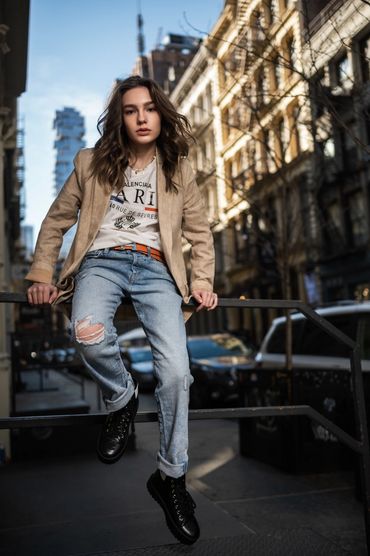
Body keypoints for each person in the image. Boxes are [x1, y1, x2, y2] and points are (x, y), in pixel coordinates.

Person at [26, 75, 217, 545]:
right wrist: (40, 275)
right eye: (131, 110)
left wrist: (202, 280)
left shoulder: (178, 167)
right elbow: (56, 221)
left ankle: (171, 478)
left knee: (175, 375)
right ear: (120, 118)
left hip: (157, 270)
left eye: (149, 108)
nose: (141, 117)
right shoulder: (91, 163)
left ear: (161, 114)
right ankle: (121, 397)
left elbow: (200, 232)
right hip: (101, 262)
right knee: (87, 330)